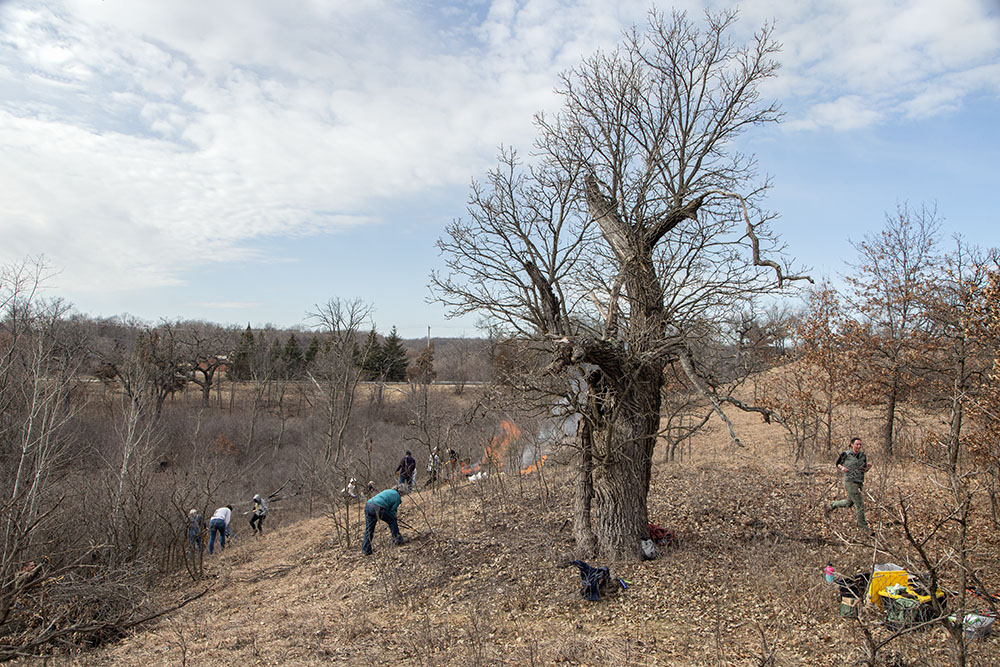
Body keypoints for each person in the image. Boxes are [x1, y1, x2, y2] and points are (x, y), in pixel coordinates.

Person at [826, 437, 873, 535]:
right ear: (852, 444)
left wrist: (868, 467)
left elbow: (863, 469)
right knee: (860, 504)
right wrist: (842, 468)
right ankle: (864, 528)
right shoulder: (846, 454)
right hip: (850, 481)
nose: (859, 446)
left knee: (849, 503)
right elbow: (837, 463)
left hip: (859, 482)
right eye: (857, 444)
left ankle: (831, 506)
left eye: (860, 444)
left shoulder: (862, 455)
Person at [361, 485, 406, 556]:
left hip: (368, 505)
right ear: (402, 492)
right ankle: (397, 539)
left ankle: (366, 550)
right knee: (392, 520)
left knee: (369, 530)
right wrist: (394, 517)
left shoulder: (388, 491)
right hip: (378, 507)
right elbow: (393, 511)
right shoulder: (397, 496)